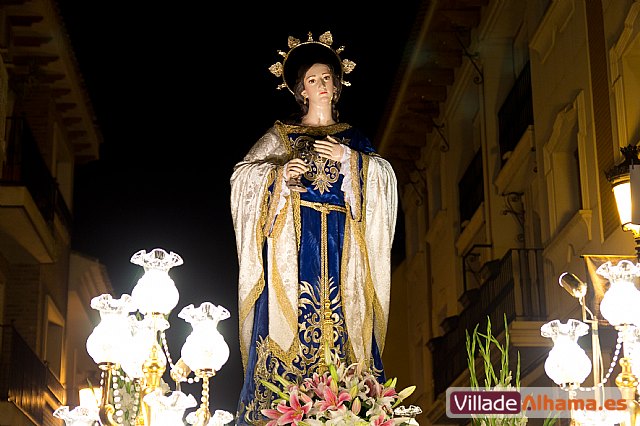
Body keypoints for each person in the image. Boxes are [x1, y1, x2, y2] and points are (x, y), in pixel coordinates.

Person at [230, 31, 398, 425]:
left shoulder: (354, 140)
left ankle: (349, 406)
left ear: (337, 87)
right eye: (312, 79)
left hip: (343, 253)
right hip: (294, 256)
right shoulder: (280, 138)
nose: (321, 84)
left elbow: (385, 183)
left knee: (346, 337)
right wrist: (279, 177)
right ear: (300, 91)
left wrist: (350, 160)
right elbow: (241, 179)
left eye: (326, 78)